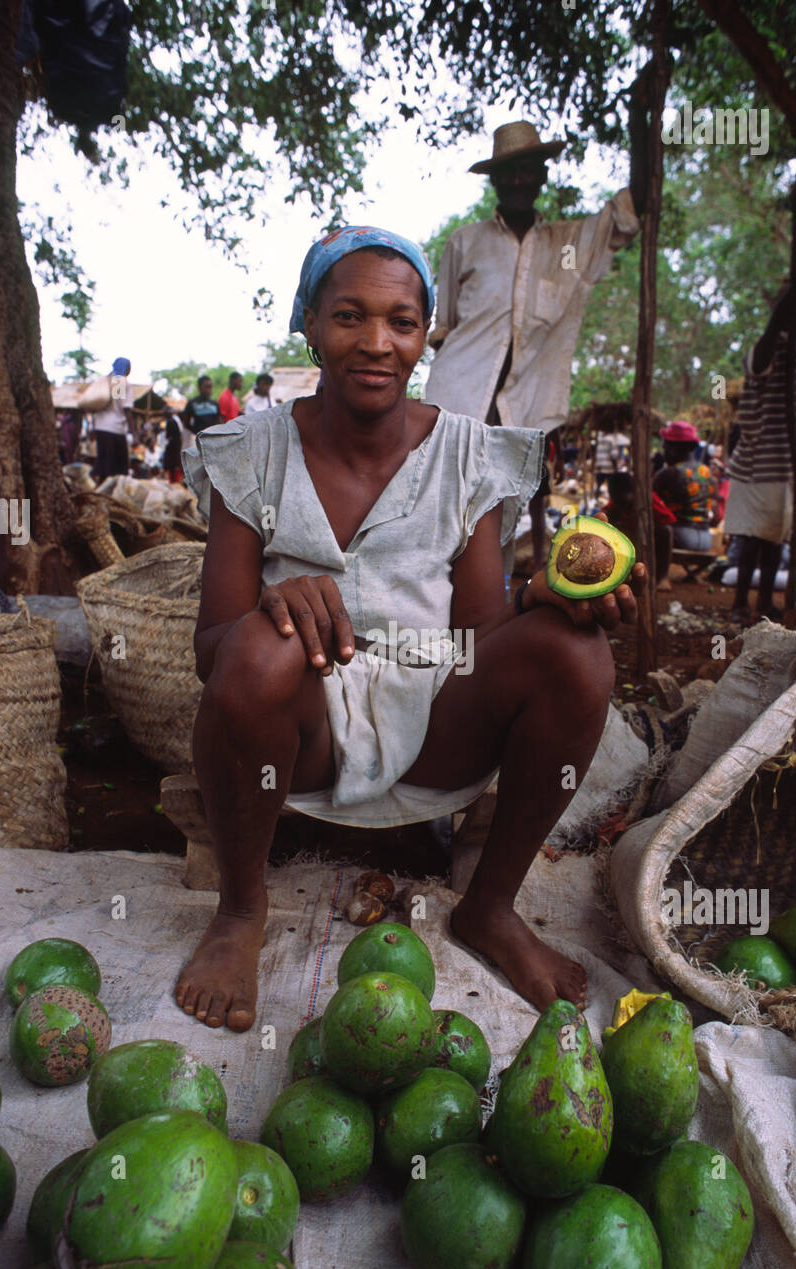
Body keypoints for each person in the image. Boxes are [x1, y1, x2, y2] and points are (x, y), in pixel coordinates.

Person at [176, 225, 645, 1033]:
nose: (375, 343)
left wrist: (540, 607)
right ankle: (239, 913)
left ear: (425, 335)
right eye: (348, 316)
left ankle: (489, 908)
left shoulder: (469, 456)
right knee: (258, 646)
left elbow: (477, 639)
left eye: (400, 321)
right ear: (310, 326)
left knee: (575, 652)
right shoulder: (249, 451)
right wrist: (274, 610)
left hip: (436, 720)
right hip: (304, 729)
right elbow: (209, 648)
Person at [424, 107, 648, 570]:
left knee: (501, 523)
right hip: (458, 400)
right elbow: (443, 328)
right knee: (443, 517)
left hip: (523, 414)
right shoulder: (465, 242)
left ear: (544, 175)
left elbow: (631, 211)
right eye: (511, 171)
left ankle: (486, 623)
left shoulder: (568, 245)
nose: (521, 180)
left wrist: (641, 121)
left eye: (530, 169)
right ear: (496, 181)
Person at [725, 278, 796, 624]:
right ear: (792, 316)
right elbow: (757, 364)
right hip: (758, 467)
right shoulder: (774, 347)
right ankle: (741, 602)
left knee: (774, 538)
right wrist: (780, 317)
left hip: (786, 469)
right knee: (754, 538)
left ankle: (765, 602)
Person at [652, 421, 715, 553]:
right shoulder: (706, 471)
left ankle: (657, 574)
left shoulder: (670, 473)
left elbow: (647, 501)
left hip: (680, 536)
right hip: (706, 539)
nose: (664, 454)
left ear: (674, 450)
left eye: (665, 448)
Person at [92, 356, 136, 480]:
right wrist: (134, 432)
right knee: (119, 468)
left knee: (104, 464)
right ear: (127, 369)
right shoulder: (121, 382)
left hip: (101, 427)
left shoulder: (104, 381)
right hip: (115, 428)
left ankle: (101, 490)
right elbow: (126, 409)